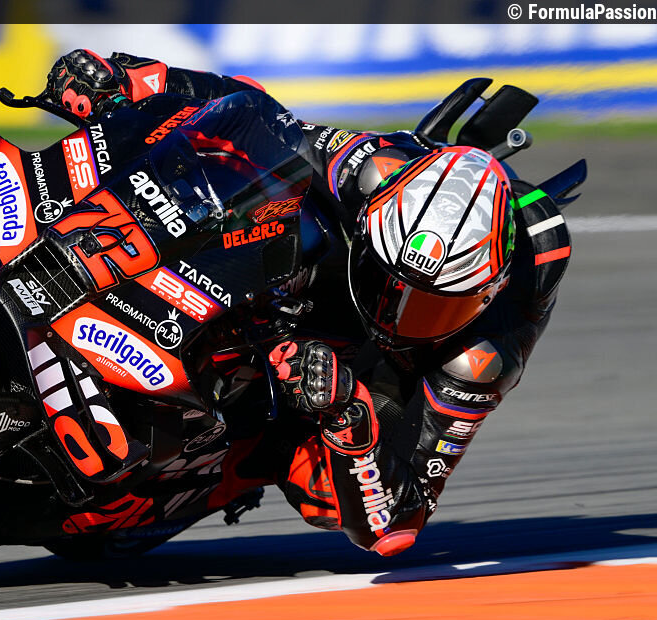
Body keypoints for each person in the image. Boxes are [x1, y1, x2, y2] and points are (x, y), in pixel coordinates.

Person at [42, 49, 575, 556]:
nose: (397, 315)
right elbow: (252, 112)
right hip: (274, 272)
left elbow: (396, 522)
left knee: (321, 491)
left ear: (487, 291)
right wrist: (126, 81)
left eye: (431, 306)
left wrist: (346, 412)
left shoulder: (482, 356)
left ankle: (217, 459)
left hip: (359, 375)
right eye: (391, 283)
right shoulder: (372, 169)